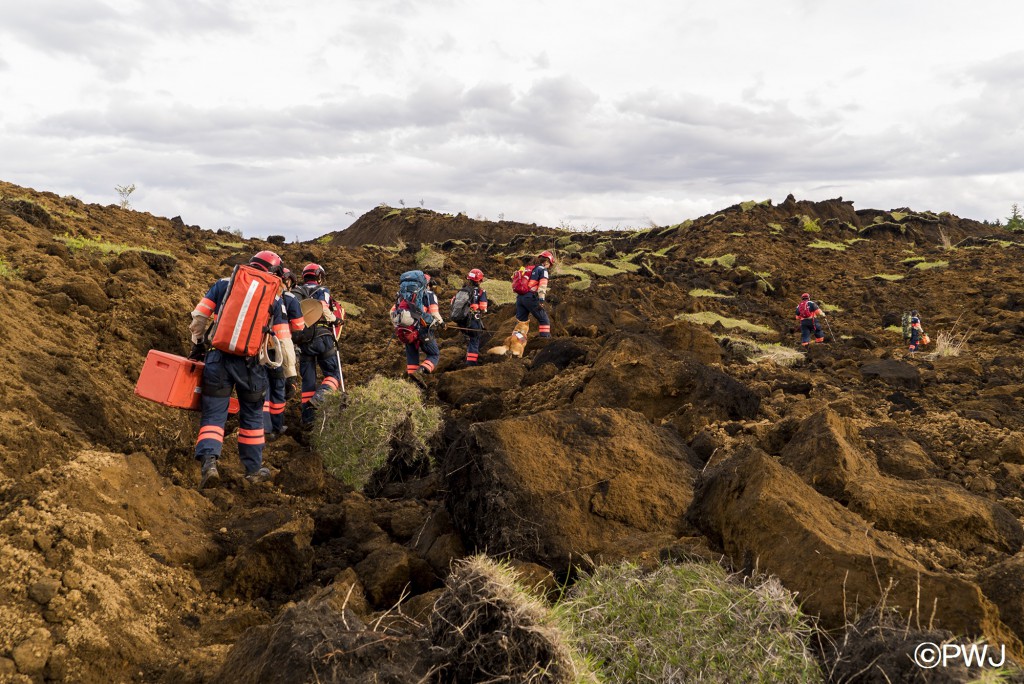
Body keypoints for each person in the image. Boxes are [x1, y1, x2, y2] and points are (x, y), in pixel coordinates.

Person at [188, 251, 281, 488]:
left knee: (213, 415)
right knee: (251, 415)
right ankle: (252, 470)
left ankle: (209, 464)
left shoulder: (223, 284)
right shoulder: (273, 296)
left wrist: (198, 345)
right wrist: (286, 372)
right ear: (273, 272)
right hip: (251, 366)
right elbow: (281, 339)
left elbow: (199, 317)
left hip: (218, 359)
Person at [294, 263, 343, 427]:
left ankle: (308, 420)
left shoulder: (297, 292)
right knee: (334, 374)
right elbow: (323, 307)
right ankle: (321, 397)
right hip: (322, 337)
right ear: (319, 276)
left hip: (303, 339)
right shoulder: (323, 290)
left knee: (308, 381)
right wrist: (334, 319)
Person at [263, 268, 305, 441]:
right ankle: (277, 425)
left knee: (262, 388)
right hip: (279, 348)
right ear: (287, 281)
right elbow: (298, 326)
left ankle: (263, 427)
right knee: (279, 388)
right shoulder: (288, 298)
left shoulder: (262, 294)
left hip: (259, 347)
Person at [402, 273, 442, 386]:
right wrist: (442, 323)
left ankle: (411, 385)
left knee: (412, 356)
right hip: (423, 330)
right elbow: (434, 313)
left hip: (407, 330)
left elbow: (393, 312)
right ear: (427, 284)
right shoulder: (429, 294)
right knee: (434, 354)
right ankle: (421, 371)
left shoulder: (404, 295)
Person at [451, 268, 488, 366]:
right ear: (480, 280)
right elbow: (483, 307)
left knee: (470, 339)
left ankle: (468, 358)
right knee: (474, 340)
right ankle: (471, 363)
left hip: (462, 321)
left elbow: (453, 303)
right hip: (473, 321)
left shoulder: (462, 290)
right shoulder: (481, 292)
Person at [515, 250, 553, 338]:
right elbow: (542, 287)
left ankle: (517, 342)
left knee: (521, 322)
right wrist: (541, 300)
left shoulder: (529, 268)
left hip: (520, 298)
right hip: (530, 297)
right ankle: (544, 340)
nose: (549, 267)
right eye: (549, 264)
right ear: (546, 261)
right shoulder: (543, 270)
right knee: (544, 320)